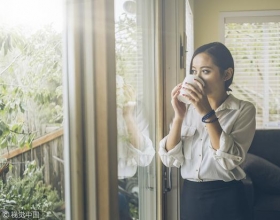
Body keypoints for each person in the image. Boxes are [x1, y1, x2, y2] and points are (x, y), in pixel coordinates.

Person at [158, 42, 256, 220]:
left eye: (205, 71)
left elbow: (230, 160)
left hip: (228, 197)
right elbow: (170, 159)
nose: (198, 78)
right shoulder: (187, 109)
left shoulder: (243, 109)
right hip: (191, 197)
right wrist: (179, 117)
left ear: (227, 74)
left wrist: (206, 112)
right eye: (194, 71)